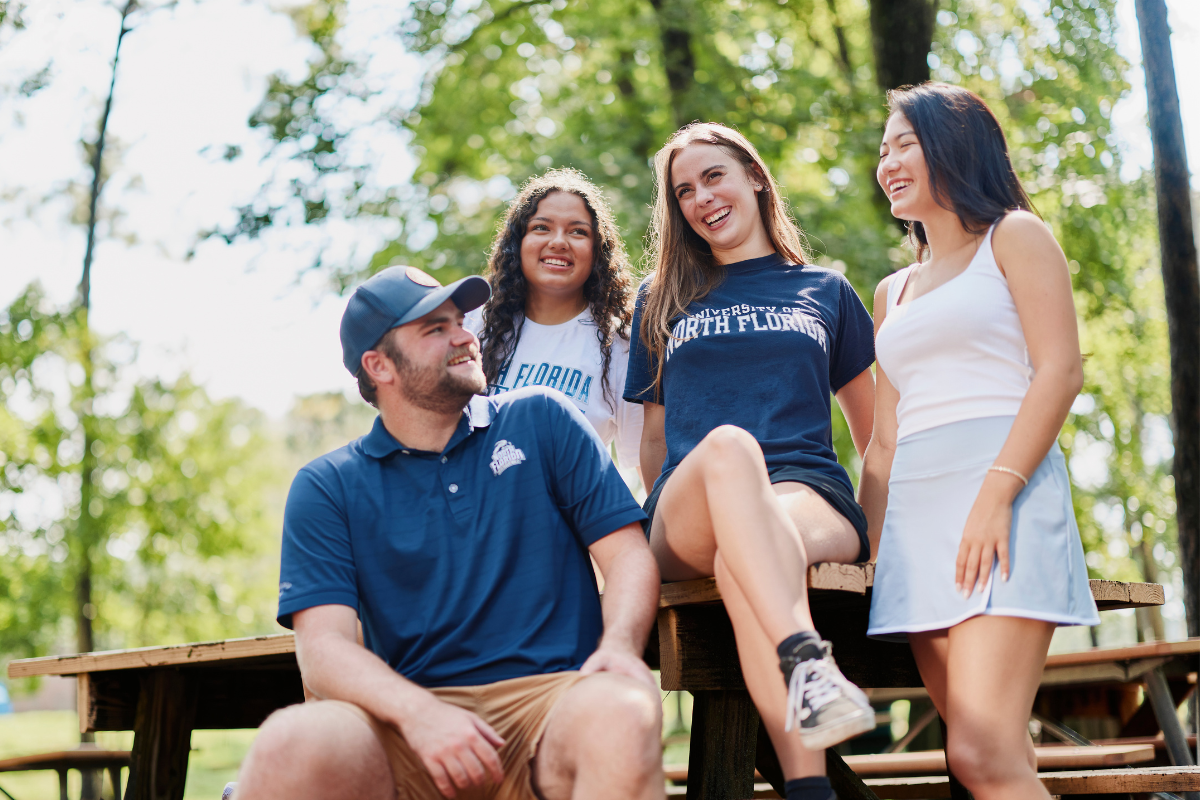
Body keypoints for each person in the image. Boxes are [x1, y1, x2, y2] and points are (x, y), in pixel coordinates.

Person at [235, 266, 665, 800]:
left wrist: (621, 646)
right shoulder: (327, 486)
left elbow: (627, 556)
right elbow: (324, 650)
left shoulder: (543, 419)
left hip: (552, 705)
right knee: (291, 741)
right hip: (407, 717)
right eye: (434, 329)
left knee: (622, 711)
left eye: (460, 321)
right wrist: (419, 713)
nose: (465, 336)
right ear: (379, 366)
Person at [625, 122, 878, 800]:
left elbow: (877, 437)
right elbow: (654, 439)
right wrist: (684, 506)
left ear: (755, 178)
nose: (701, 198)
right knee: (730, 451)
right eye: (684, 190)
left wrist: (879, 546)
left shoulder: (827, 292)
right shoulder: (661, 298)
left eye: (714, 177)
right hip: (690, 503)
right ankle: (807, 657)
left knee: (751, 554)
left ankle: (807, 789)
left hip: (807, 493)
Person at [862, 83, 1099, 800]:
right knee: (986, 760)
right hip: (915, 524)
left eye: (904, 143)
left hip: (1004, 496)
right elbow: (882, 441)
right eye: (883, 149)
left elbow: (1060, 370)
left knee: (980, 751)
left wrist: (997, 494)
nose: (888, 161)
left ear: (953, 144)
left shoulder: (1016, 236)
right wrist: (875, 553)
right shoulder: (890, 293)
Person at [466, 168, 642, 476]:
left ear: (598, 250)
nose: (559, 242)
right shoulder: (474, 326)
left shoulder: (621, 347)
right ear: (518, 243)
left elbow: (644, 462)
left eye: (578, 231)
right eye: (541, 228)